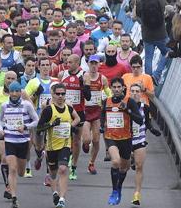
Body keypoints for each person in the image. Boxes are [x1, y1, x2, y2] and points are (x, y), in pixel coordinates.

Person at [36, 82, 81, 208]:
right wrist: (51, 125)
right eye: (58, 94)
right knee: (53, 173)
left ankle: (62, 199)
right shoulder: (48, 110)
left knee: (63, 169)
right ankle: (55, 192)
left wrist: (70, 126)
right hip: (51, 146)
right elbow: (39, 128)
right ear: (53, 95)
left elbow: (77, 118)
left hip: (65, 144)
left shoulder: (69, 108)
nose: (60, 96)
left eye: (63, 94)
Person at [101, 77, 144, 205]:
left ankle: (119, 188)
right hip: (111, 138)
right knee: (115, 161)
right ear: (111, 88)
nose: (116, 89)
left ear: (123, 88)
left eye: (119, 87)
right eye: (114, 87)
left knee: (124, 168)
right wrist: (102, 126)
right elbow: (102, 114)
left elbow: (140, 120)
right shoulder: (106, 101)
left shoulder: (129, 101)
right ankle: (114, 191)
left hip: (126, 139)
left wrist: (127, 110)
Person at [0, 81, 39, 208]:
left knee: (20, 171)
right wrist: (1, 130)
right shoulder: (4, 105)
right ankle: (14, 196)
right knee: (12, 168)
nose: (14, 94)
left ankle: (23, 170)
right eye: (12, 91)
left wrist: (26, 126)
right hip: (10, 140)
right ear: (9, 92)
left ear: (21, 92)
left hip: (23, 141)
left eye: (17, 91)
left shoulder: (26, 105)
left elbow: (36, 120)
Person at [58, 54, 91, 180]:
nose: (68, 64)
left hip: (79, 112)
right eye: (67, 62)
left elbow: (88, 97)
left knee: (77, 141)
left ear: (77, 63)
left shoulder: (84, 75)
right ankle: (63, 160)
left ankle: (74, 167)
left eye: (70, 62)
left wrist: (83, 85)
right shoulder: (62, 75)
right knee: (64, 137)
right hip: (65, 111)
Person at [128, 83, 161, 206]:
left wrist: (152, 130)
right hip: (126, 140)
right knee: (123, 167)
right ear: (129, 93)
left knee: (139, 166)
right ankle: (130, 158)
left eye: (137, 91)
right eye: (133, 91)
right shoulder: (125, 107)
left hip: (140, 139)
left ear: (140, 93)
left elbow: (147, 122)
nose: (135, 93)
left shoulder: (145, 107)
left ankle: (137, 194)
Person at [136, 0, 169, 82]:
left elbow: (138, 16)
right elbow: (168, 10)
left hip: (147, 36)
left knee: (148, 58)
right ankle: (157, 74)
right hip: (161, 34)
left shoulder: (140, 3)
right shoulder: (159, 0)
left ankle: (148, 80)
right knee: (168, 52)